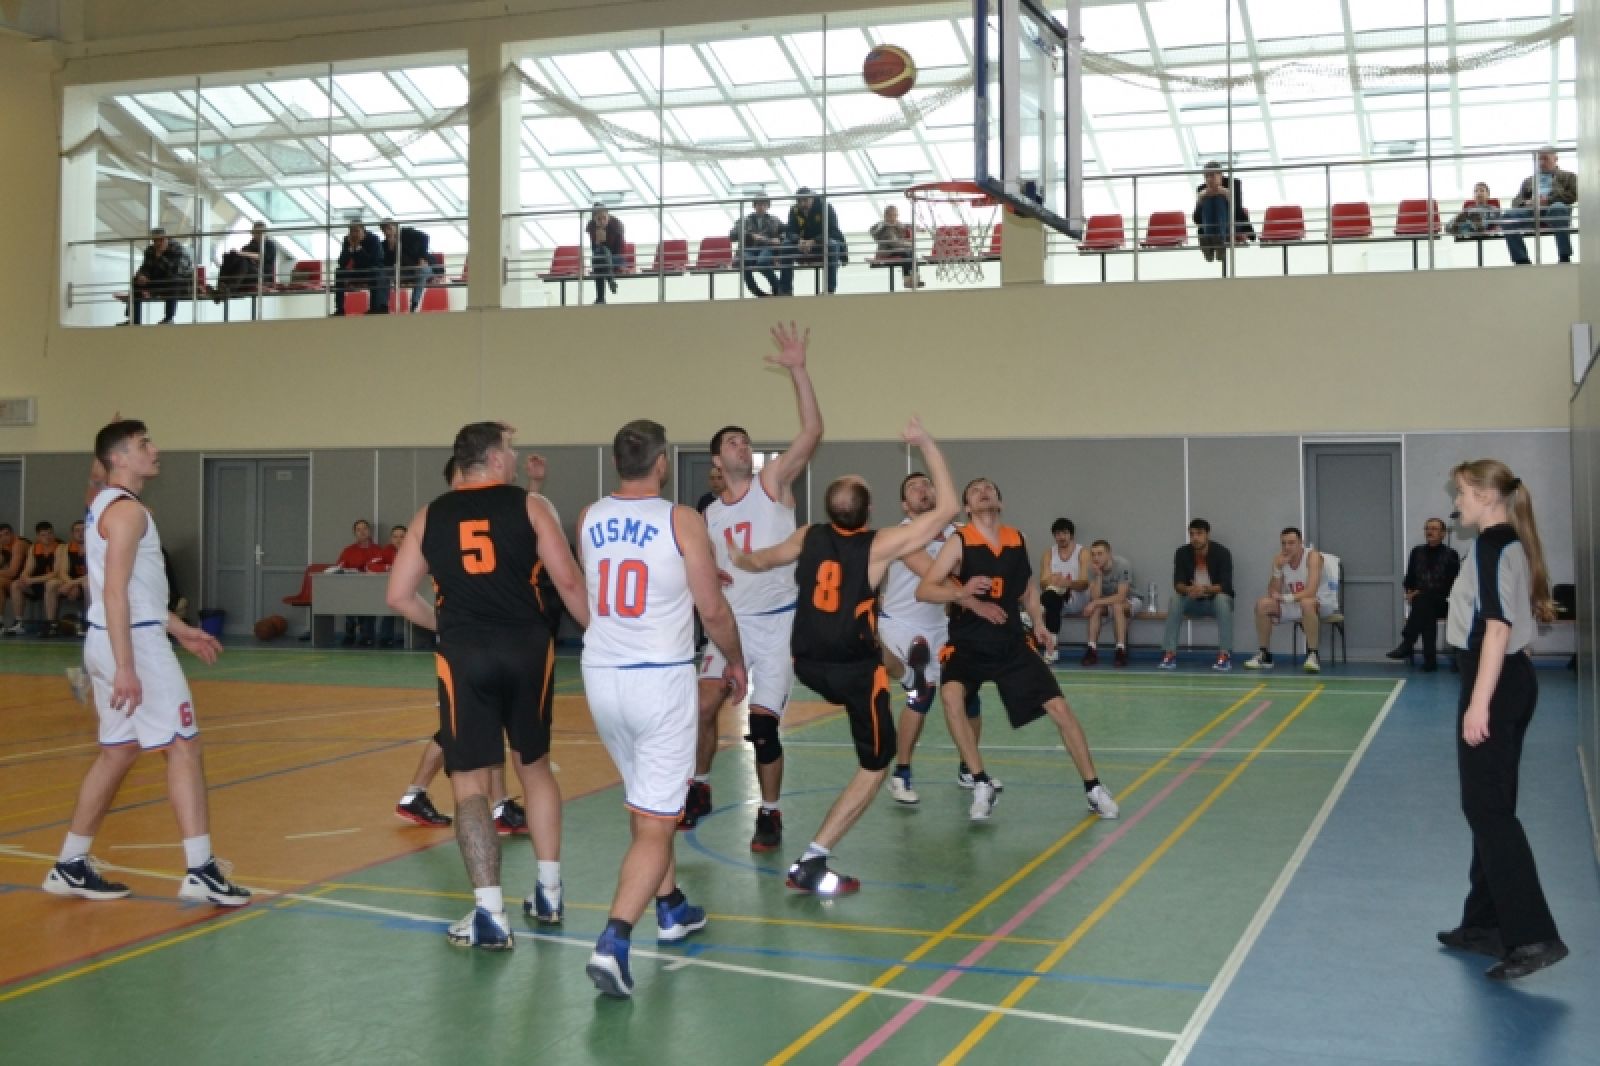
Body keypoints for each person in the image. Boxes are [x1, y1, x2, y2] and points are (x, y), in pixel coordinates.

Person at [730, 418, 958, 894]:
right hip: (854, 672)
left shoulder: (807, 536)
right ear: (869, 512)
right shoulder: (879, 545)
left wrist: (736, 556)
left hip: (807, 663)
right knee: (876, 763)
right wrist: (926, 443)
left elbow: (761, 560)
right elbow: (948, 509)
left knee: (875, 638)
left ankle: (908, 676)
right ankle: (813, 860)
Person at [384, 421, 588, 950]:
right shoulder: (531, 506)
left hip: (465, 654)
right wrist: (601, 634)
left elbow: (399, 596)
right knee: (534, 768)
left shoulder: (430, 514)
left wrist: (444, 625)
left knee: (470, 783)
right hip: (528, 649)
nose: (515, 457)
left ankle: (490, 914)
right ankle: (549, 893)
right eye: (511, 449)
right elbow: (568, 581)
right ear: (495, 459)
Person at [41, 419, 250, 907]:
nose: (154, 450)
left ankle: (70, 863)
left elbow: (133, 591)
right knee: (183, 746)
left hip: (110, 638)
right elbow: (114, 592)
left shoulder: (104, 505)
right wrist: (127, 665)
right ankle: (201, 870)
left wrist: (179, 628)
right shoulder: (128, 513)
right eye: (143, 444)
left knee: (118, 751)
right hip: (132, 645)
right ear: (119, 458)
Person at [578, 420, 747, 997]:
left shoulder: (588, 517)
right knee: (656, 821)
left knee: (646, 797)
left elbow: (621, 574)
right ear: (662, 463)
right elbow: (713, 610)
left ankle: (671, 906)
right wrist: (736, 660)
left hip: (602, 677)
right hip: (659, 679)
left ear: (616, 463)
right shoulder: (682, 520)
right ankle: (614, 941)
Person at [686, 322, 824, 849]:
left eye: (745, 441)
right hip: (729, 625)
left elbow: (811, 433)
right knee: (702, 707)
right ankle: (698, 785)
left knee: (763, 728)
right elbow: (701, 564)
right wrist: (709, 572)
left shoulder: (772, 484)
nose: (742, 446)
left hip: (775, 626)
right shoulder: (709, 514)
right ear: (717, 460)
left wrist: (799, 371)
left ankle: (770, 812)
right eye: (732, 442)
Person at [916, 477, 1119, 823]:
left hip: (1010, 641)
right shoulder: (959, 541)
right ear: (966, 507)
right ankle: (980, 782)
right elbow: (925, 590)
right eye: (975, 490)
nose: (984, 491)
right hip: (967, 643)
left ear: (1001, 502)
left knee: (1059, 708)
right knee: (951, 697)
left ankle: (1094, 787)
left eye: (989, 488)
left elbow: (1027, 591)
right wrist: (962, 592)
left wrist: (1038, 622)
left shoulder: (1017, 539)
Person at [1437, 459, 1567, 980]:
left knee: (1488, 810)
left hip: (1492, 682)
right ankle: (1484, 924)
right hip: (1510, 679)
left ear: (1487, 497)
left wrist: (1479, 703)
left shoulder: (1494, 545)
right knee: (1490, 805)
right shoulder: (1506, 542)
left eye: (1462, 493)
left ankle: (1533, 936)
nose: (1457, 503)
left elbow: (1497, 628)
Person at [394, 457, 529, 835]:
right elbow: (400, 595)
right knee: (467, 727)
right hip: (464, 642)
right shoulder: (443, 521)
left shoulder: (458, 520)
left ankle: (495, 803)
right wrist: (446, 625)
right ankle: (420, 793)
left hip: (472, 639)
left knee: (482, 723)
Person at [875, 471, 968, 805]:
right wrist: (967, 589)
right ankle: (901, 774)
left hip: (939, 627)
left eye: (927, 484)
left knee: (966, 695)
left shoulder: (957, 533)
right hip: (900, 625)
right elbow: (933, 574)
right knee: (921, 695)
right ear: (905, 504)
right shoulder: (901, 535)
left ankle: (969, 768)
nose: (922, 489)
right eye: (913, 487)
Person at [1244, 527, 1336, 674]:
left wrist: (1285, 598)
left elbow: (1311, 591)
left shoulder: (1313, 557)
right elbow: (1273, 592)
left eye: (1291, 543)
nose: (1287, 547)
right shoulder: (1280, 559)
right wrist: (1277, 569)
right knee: (1262, 604)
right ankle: (1264, 654)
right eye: (1284, 543)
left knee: (1307, 603)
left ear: (1301, 542)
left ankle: (1313, 655)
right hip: (1295, 602)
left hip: (1321, 602)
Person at [1159, 519, 1235, 672]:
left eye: (1199, 534)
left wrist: (1205, 589)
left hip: (1215, 602)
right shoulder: (1182, 553)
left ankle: (1224, 654)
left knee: (1222, 599)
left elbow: (1225, 586)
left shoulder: (1222, 553)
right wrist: (1189, 590)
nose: (1195, 538)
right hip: (1192, 600)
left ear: (1208, 534)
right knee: (1175, 599)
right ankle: (1169, 653)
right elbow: (1178, 584)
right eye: (1192, 534)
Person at [1389, 517, 1460, 672]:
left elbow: (1450, 584)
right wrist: (1409, 592)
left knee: (1423, 603)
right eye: (1427, 528)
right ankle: (1429, 661)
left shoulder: (1451, 554)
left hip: (1444, 602)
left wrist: (1420, 592)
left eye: (1434, 529)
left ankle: (1409, 644)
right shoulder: (1416, 552)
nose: (1429, 531)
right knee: (1425, 607)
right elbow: (1409, 578)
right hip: (1423, 602)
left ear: (1443, 533)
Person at [1502, 147, 1577, 265]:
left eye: (1545, 159)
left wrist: (1548, 200)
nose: (1541, 162)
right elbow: (1516, 201)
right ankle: (1522, 260)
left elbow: (1573, 195)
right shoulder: (1528, 180)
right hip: (1532, 210)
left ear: (1555, 159)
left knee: (1558, 208)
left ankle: (1564, 256)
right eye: (1539, 159)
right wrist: (1527, 202)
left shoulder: (1569, 176)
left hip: (1554, 208)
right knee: (1507, 217)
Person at [1038, 518, 1091, 664]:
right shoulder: (1048, 553)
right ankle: (1052, 649)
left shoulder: (1083, 553)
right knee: (1051, 597)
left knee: (1049, 599)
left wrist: (1067, 583)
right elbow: (1043, 583)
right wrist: (1053, 580)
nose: (1061, 537)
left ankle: (1051, 646)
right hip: (1055, 597)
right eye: (1057, 534)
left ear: (1071, 535)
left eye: (1064, 533)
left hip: (1077, 597)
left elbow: (1084, 583)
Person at [778, 188, 848, 296]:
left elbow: (833, 231)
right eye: (799, 201)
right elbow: (790, 231)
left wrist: (814, 241)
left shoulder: (825, 208)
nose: (803, 204)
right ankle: (785, 290)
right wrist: (799, 240)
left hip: (821, 245)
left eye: (805, 200)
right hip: (802, 246)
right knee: (786, 246)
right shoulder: (794, 210)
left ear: (812, 198)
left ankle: (829, 290)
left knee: (832, 245)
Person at [1081, 539, 1139, 668]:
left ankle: (1120, 650)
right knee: (1096, 609)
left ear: (1109, 554)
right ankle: (1091, 649)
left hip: (1131, 599)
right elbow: (1095, 596)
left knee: (1117, 606)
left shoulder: (1122, 565)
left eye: (1100, 554)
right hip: (1106, 600)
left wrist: (1095, 602)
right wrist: (1098, 576)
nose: (1096, 558)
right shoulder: (1092, 568)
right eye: (1093, 554)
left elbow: (1121, 596)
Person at [330, 519, 388, 646]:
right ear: (354, 533)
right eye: (358, 529)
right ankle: (350, 632)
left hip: (373, 589)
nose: (362, 532)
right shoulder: (348, 551)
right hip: (352, 589)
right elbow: (339, 568)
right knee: (349, 598)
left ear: (370, 531)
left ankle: (367, 634)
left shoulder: (379, 550)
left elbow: (384, 568)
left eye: (365, 528)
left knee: (370, 600)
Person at [4, 521, 65, 636]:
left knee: (51, 583)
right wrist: (24, 576)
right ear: (38, 537)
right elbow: (28, 568)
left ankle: (51, 624)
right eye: (44, 535)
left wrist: (32, 580)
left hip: (56, 583)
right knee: (16, 584)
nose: (48, 537)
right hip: (38, 582)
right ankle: (19, 622)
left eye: (50, 533)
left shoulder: (60, 547)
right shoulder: (34, 548)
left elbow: (56, 573)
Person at [126, 227, 193, 326]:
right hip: (158, 280)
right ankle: (134, 319)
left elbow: (175, 270)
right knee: (136, 281)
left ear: (166, 239)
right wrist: (142, 275)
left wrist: (160, 256)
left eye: (161, 240)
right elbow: (146, 267)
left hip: (178, 282)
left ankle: (169, 318)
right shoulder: (150, 250)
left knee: (173, 281)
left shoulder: (178, 249)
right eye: (155, 241)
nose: (158, 243)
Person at [381, 219, 439, 313]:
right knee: (383, 273)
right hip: (406, 270)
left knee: (422, 271)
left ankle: (414, 304)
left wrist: (422, 257)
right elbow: (387, 263)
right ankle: (383, 305)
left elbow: (425, 237)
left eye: (389, 228)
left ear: (396, 227)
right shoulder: (384, 244)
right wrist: (392, 250)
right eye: (384, 230)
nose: (387, 232)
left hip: (421, 266)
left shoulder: (407, 233)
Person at [731, 196, 784, 298]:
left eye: (764, 205)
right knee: (744, 262)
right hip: (748, 249)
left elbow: (785, 232)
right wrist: (750, 236)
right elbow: (732, 235)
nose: (761, 207)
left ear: (768, 206)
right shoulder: (745, 220)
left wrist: (779, 239)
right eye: (759, 204)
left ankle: (777, 286)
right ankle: (757, 292)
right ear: (754, 206)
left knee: (762, 262)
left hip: (766, 248)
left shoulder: (774, 220)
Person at [212, 221, 279, 300]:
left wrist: (242, 254)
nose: (257, 235)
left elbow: (261, 257)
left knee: (243, 263)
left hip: (263, 275)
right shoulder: (250, 245)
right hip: (248, 274)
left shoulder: (270, 245)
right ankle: (221, 287)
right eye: (255, 232)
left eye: (260, 232)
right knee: (228, 259)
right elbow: (241, 256)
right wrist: (232, 256)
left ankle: (229, 290)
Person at [333, 220, 388, 315]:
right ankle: (340, 309)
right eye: (352, 231)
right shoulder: (347, 240)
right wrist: (350, 248)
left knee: (375, 272)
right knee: (339, 272)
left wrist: (358, 248)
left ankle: (374, 308)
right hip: (356, 271)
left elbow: (372, 261)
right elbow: (341, 262)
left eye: (356, 231)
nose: (354, 234)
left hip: (371, 270)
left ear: (363, 231)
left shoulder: (373, 239)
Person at [47, 519, 90, 636]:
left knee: (87, 584)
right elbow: (62, 571)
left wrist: (72, 584)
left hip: (87, 581)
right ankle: (51, 624)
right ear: (72, 534)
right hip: (70, 582)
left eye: (83, 530)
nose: (80, 533)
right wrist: (71, 585)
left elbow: (94, 573)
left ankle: (87, 623)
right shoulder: (66, 548)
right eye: (77, 531)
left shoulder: (95, 547)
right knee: (51, 584)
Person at [869, 205, 921, 289]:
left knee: (911, 253)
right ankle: (908, 280)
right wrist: (910, 244)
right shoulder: (885, 228)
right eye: (891, 215)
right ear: (885, 216)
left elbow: (904, 226)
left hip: (895, 250)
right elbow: (894, 243)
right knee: (906, 253)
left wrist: (915, 227)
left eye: (895, 215)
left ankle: (914, 279)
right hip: (886, 251)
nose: (893, 218)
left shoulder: (896, 225)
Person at [587, 205, 625, 304]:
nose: (602, 221)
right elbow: (594, 249)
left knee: (601, 253)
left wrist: (620, 265)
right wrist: (598, 242)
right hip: (600, 261)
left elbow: (620, 248)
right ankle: (611, 280)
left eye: (604, 218)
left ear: (608, 217)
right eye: (599, 219)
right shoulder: (592, 227)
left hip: (616, 258)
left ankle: (600, 298)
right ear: (594, 219)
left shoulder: (616, 225)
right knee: (599, 254)